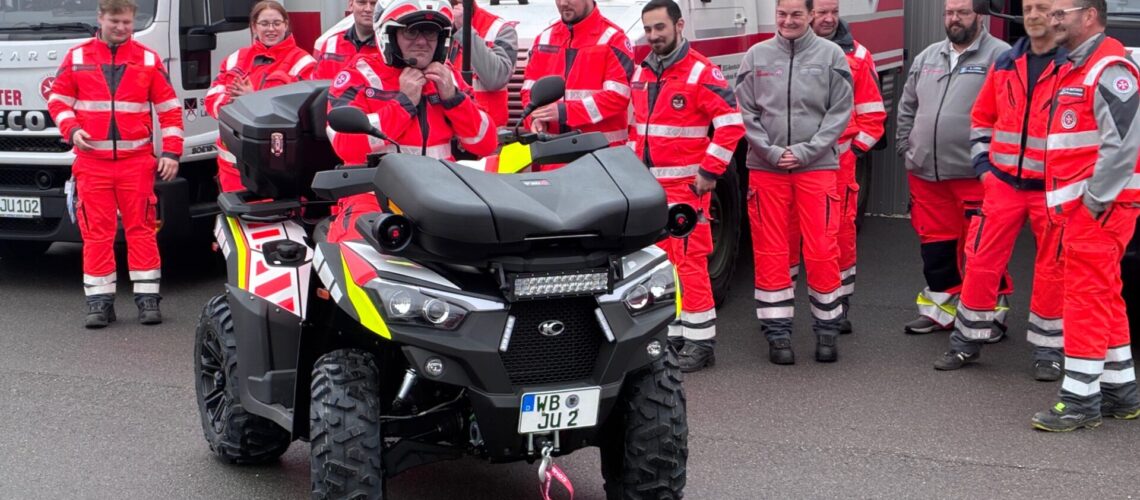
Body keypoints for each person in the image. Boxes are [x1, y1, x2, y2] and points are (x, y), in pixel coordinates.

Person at [933, 0, 1066, 381]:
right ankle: (966, 341)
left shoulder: (1075, 65)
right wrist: (985, 170)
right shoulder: (1006, 62)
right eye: (1029, 8)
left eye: (1043, 8)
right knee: (980, 262)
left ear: (1059, 15)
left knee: (1054, 269)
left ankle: (1048, 351)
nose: (1034, 15)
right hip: (1003, 184)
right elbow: (982, 119)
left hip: (1052, 189)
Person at [1031, 0, 1140, 432]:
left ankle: (1079, 401)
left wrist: (1094, 201)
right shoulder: (1080, 66)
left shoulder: (1108, 67)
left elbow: (1125, 143)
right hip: (1089, 208)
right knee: (1104, 295)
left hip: (1098, 209)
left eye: (1061, 13)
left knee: (1084, 300)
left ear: (1090, 15)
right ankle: (1120, 392)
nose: (1051, 20)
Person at [47, 0, 183, 327]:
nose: (121, 27)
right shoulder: (77, 57)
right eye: (115, 21)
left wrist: (171, 153)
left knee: (142, 231)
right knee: (97, 233)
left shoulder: (147, 59)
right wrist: (72, 129)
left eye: (126, 22)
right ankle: (99, 303)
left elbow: (169, 109)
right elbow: (57, 101)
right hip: (92, 163)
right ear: (101, 18)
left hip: (136, 163)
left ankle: (148, 300)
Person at [629, 0, 745, 372]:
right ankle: (676, 335)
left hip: (685, 189)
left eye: (660, 28)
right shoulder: (643, 73)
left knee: (690, 264)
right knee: (662, 267)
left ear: (679, 26)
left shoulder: (701, 71)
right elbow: (638, 130)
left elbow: (731, 125)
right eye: (648, 29)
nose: (653, 36)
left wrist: (710, 172)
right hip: (651, 189)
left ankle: (701, 343)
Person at [736, 0, 853, 365]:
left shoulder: (832, 55)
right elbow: (745, 111)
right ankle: (778, 334)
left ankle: (827, 331)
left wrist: (806, 151)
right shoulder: (756, 56)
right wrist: (770, 151)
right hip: (766, 169)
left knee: (822, 249)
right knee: (770, 252)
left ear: (811, 15)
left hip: (816, 168)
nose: (788, 21)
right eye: (782, 14)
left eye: (797, 14)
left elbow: (840, 112)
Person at [325, 0, 497, 243]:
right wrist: (403, 104)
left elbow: (486, 143)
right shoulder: (358, 75)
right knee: (356, 250)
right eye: (411, 31)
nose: (422, 41)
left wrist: (453, 99)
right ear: (389, 35)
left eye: (430, 32)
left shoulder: (449, 77)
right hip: (373, 194)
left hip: (444, 192)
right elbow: (345, 144)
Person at [895, 0, 1011, 336]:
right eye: (949, 12)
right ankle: (940, 311)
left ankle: (989, 316)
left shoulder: (1001, 56)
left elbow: (1011, 114)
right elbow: (908, 106)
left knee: (983, 249)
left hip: (975, 174)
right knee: (936, 248)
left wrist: (994, 162)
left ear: (979, 15)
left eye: (962, 12)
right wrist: (906, 147)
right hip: (926, 173)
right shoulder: (927, 57)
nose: (954, 19)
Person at [784, 0, 887, 335]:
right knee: (786, 238)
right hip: (790, 167)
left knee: (837, 240)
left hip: (837, 168)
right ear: (807, 12)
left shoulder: (858, 56)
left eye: (834, 12)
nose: (828, 19)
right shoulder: (783, 51)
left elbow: (873, 116)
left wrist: (852, 152)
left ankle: (837, 308)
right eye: (821, 12)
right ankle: (779, 313)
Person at [205, 1, 317, 193]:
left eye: (276, 23)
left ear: (286, 25)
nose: (271, 29)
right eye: (264, 23)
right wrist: (233, 103)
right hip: (232, 170)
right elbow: (212, 99)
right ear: (254, 27)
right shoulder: (235, 59)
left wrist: (253, 99)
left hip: (275, 168)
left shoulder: (303, 64)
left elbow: (303, 115)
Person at [521, 0, 634, 151]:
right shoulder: (543, 39)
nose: (563, 3)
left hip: (601, 155)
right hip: (551, 154)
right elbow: (529, 91)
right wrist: (535, 118)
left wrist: (566, 112)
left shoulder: (614, 40)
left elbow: (617, 97)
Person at [448, 0, 518, 129]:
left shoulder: (499, 29)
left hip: (485, 132)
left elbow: (496, 79)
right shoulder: (429, 24)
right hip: (442, 132)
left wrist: (464, 29)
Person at [312, 0, 380, 80]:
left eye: (374, 4)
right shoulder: (331, 45)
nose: (368, 9)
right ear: (351, 5)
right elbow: (318, 83)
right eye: (362, 2)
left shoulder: (388, 49)